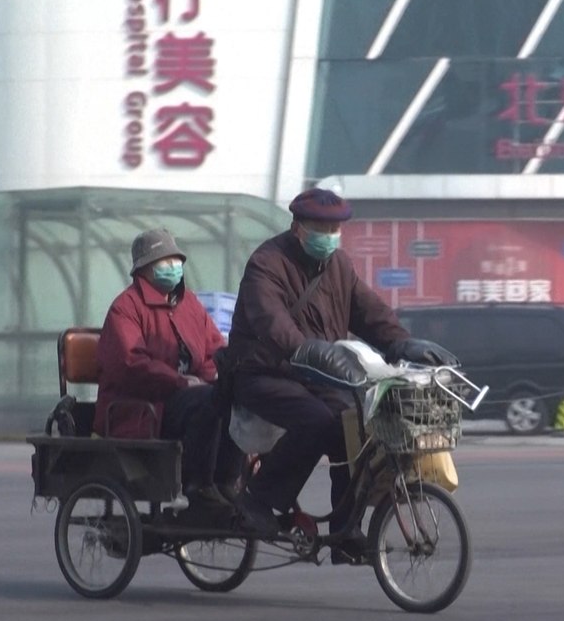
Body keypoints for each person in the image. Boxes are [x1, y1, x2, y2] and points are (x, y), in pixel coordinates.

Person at [227, 188, 457, 560]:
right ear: (298, 227)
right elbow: (272, 321)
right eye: (321, 227)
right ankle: (258, 500)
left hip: (319, 374)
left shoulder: (340, 266)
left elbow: (370, 313)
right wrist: (304, 349)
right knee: (318, 421)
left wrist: (402, 345)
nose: (330, 236)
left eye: (335, 228)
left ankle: (345, 532)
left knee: (356, 428)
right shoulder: (267, 263)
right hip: (263, 372)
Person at [96, 228, 239, 505]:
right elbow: (131, 363)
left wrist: (226, 373)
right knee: (208, 401)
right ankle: (198, 485)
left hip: (185, 397)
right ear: (143, 269)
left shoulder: (189, 304)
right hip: (145, 406)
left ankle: (226, 482)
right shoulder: (125, 308)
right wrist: (180, 381)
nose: (173, 267)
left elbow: (214, 348)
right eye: (164, 262)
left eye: (176, 260)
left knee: (234, 395)